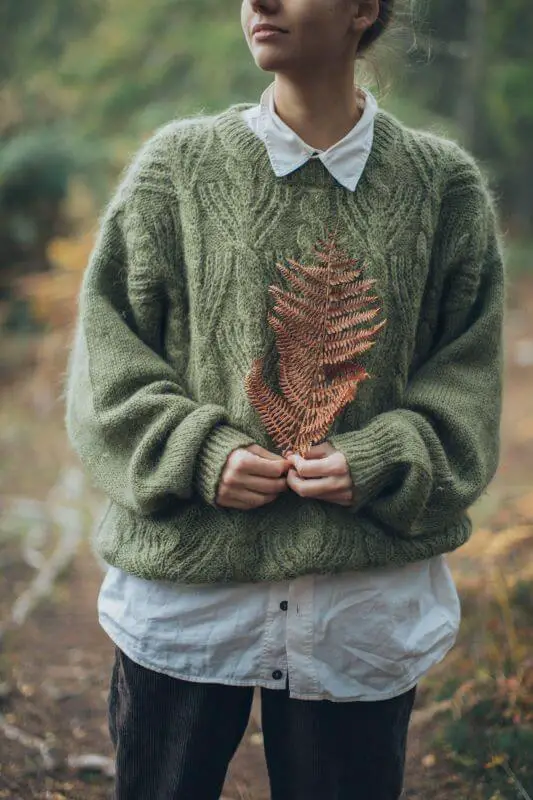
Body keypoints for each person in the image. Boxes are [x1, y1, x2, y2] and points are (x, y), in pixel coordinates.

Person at [65, 0, 505, 798]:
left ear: (362, 9)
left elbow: (465, 378)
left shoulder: (441, 187)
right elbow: (108, 356)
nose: (258, 3)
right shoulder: (177, 166)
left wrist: (384, 456)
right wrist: (197, 450)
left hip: (357, 609)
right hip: (190, 599)